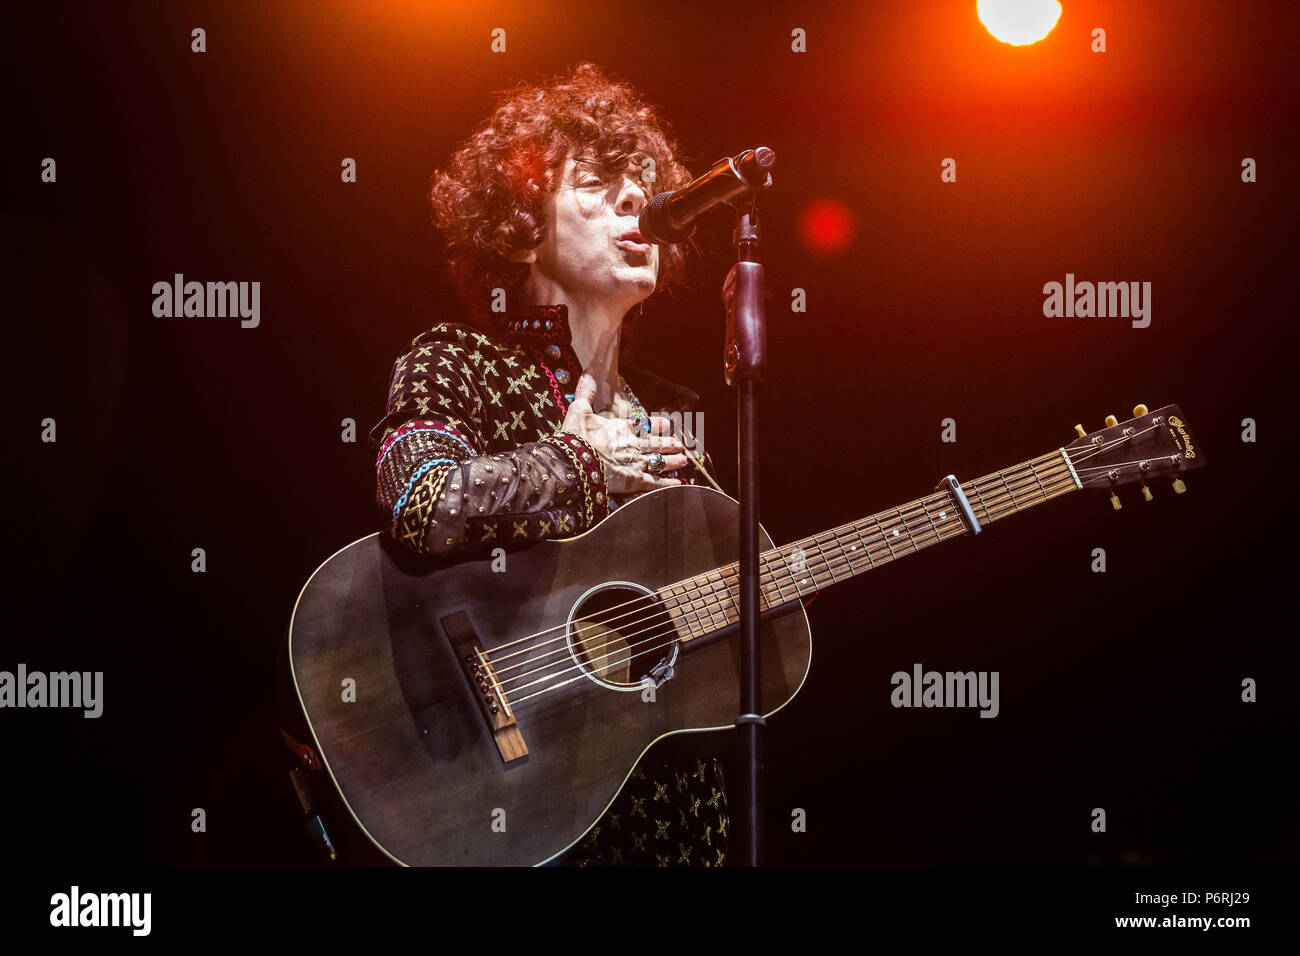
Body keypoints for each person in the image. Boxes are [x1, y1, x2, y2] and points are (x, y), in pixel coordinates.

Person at [365, 62, 730, 866]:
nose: (638, 198)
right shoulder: (453, 358)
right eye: (599, 183)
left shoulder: (675, 408)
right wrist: (578, 463)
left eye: (644, 182)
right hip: (515, 802)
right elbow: (419, 504)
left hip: (668, 814)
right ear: (521, 226)